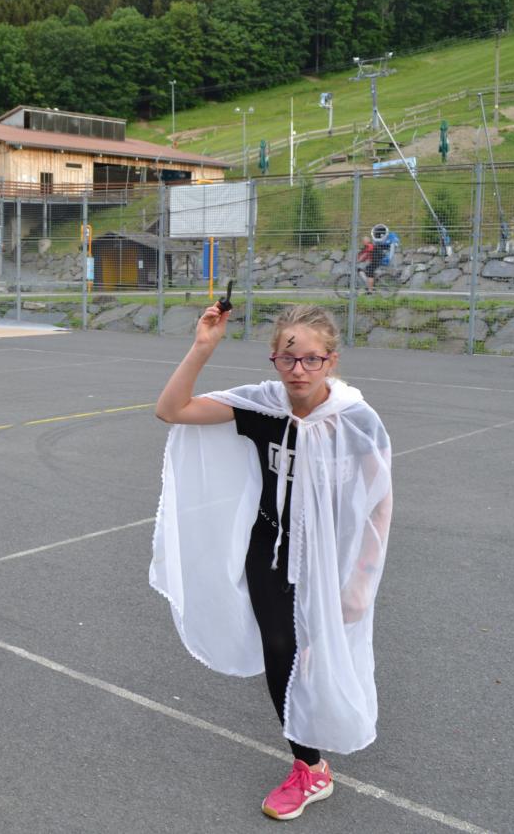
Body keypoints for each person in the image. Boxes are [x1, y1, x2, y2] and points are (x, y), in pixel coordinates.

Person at [151, 304, 392, 822]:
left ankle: (325, 723)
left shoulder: (355, 421)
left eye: (311, 359)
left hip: (329, 558)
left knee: (321, 653)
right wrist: (203, 347)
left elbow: (379, 503)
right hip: (270, 551)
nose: (298, 370)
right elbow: (172, 410)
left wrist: (361, 581)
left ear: (331, 361)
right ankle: (310, 767)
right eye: (288, 359)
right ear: (275, 359)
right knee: (281, 650)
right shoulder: (263, 407)